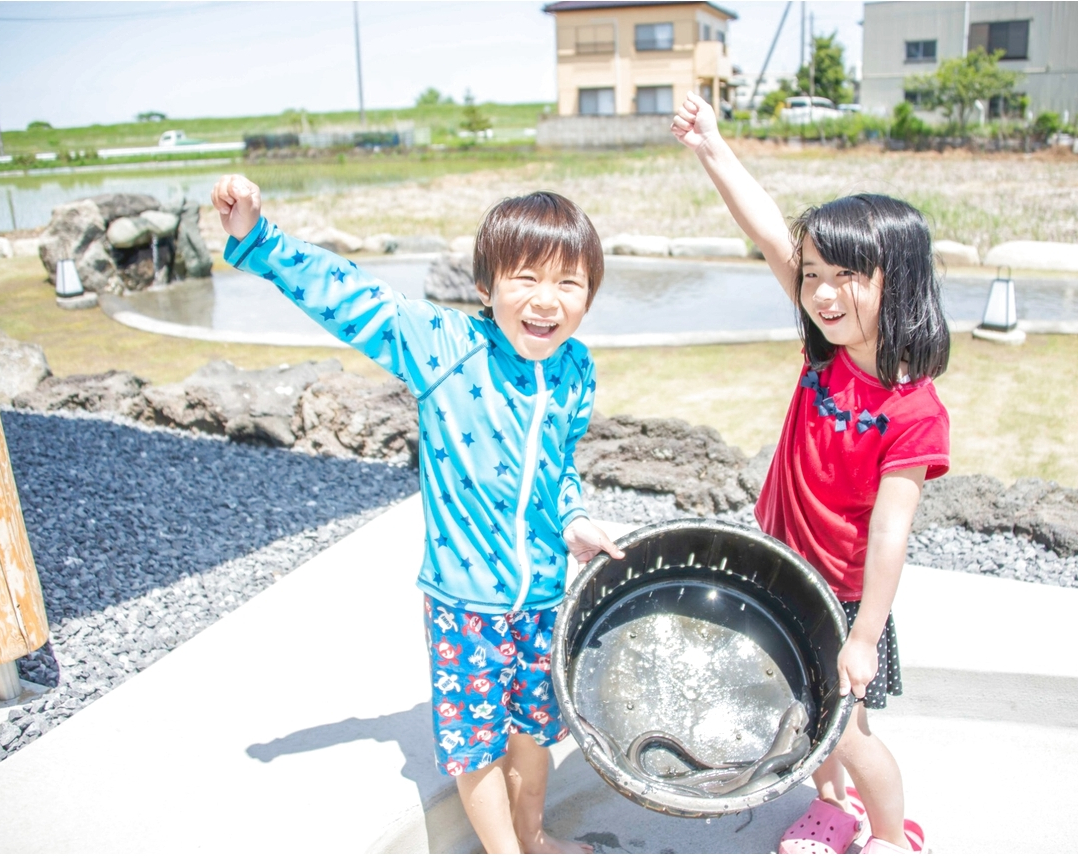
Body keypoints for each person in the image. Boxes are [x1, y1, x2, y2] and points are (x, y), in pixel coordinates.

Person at [211, 176, 623, 854]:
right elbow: (348, 296)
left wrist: (574, 518)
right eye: (525, 278)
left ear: (588, 297)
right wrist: (259, 238)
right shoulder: (443, 345)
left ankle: (534, 836)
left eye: (569, 284)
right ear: (486, 289)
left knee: (535, 732)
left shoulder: (575, 370)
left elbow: (557, 468)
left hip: (544, 596)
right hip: (464, 603)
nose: (546, 301)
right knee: (474, 747)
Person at [672, 93, 949, 855]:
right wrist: (712, 148)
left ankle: (892, 833)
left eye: (847, 276)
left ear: (899, 281)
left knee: (849, 730)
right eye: (814, 274)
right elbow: (765, 228)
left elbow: (891, 531)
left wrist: (861, 636)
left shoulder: (912, 409)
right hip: (783, 569)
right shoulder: (824, 355)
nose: (823, 294)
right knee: (804, 714)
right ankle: (830, 808)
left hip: (844, 596)